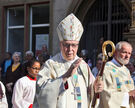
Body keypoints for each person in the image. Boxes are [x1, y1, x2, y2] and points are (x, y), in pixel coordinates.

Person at [33, 13, 103, 108]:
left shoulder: (83, 65)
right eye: (66, 45)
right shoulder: (51, 64)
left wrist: (96, 88)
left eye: (74, 45)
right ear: (60, 44)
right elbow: (41, 92)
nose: (70, 49)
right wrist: (65, 76)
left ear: (78, 46)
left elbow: (91, 92)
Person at [99, 41, 135, 108]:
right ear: (115, 52)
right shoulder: (106, 69)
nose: (127, 56)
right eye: (124, 52)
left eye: (129, 53)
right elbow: (106, 95)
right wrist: (128, 95)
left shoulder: (126, 70)